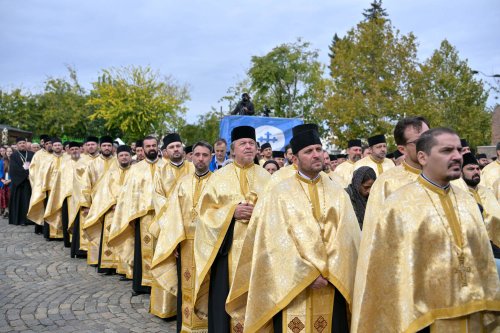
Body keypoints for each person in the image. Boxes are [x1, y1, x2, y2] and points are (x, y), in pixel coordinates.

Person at [351, 128, 500, 332]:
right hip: (424, 319)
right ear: (423, 157)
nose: (457, 156)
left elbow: (483, 257)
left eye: (458, 150)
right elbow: (387, 270)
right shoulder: (399, 204)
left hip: (474, 311)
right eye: (447, 150)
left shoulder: (466, 200)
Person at [226, 128, 360, 333]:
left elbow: (348, 237)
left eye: (318, 149)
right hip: (292, 286)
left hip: (333, 282)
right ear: (295, 159)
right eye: (308, 151)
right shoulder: (279, 192)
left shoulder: (337, 192)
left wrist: (328, 270)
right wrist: (307, 273)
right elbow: (273, 241)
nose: (316, 154)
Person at [193, 125, 270, 332]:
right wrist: (231, 213)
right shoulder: (218, 177)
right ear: (233, 150)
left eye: (251, 144)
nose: (248, 147)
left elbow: (278, 213)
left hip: (258, 253)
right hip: (226, 255)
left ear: (257, 149)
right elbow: (205, 214)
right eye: (243, 144)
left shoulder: (268, 178)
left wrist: (259, 213)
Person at [151, 141, 213, 332]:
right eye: (197, 154)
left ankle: (208, 324)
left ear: (210, 157)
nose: (200, 158)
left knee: (206, 285)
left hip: (209, 245)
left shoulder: (218, 182)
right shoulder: (183, 183)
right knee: (186, 283)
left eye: (205, 155)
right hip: (185, 243)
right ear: (191, 156)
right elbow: (173, 216)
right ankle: (186, 326)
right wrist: (174, 243)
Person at [108, 136, 165, 297]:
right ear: (143, 149)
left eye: (154, 145)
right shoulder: (136, 169)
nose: (151, 148)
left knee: (162, 250)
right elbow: (128, 194)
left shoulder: (166, 166)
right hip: (143, 216)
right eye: (148, 146)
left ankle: (162, 284)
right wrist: (129, 216)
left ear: (158, 147)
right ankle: (143, 285)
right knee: (143, 250)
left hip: (163, 217)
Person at [150, 133, 195, 318]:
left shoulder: (193, 168)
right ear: (166, 151)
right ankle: (167, 308)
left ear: (182, 148)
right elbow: (158, 199)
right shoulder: (160, 171)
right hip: (168, 225)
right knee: (168, 260)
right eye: (172, 147)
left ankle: (190, 308)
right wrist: (171, 223)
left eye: (178, 145)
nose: (176, 149)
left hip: (192, 225)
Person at [85, 145, 133, 276]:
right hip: (111, 211)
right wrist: (111, 204)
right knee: (110, 237)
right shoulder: (111, 173)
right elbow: (103, 191)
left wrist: (125, 205)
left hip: (128, 212)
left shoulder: (135, 172)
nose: (124, 157)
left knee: (126, 239)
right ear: (117, 157)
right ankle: (110, 265)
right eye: (121, 155)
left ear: (130, 157)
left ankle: (125, 268)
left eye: (126, 155)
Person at [365, 117, 430, 211]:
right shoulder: (386, 183)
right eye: (419, 142)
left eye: (430, 137)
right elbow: (375, 224)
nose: (429, 144)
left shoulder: (449, 177)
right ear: (402, 149)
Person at [81, 136, 117, 266]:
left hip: (113, 204)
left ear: (112, 147)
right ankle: (97, 260)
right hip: (96, 203)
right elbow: (85, 185)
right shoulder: (93, 163)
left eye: (109, 146)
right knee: (97, 231)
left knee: (113, 231)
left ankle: (114, 263)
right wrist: (86, 204)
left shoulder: (117, 162)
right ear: (100, 147)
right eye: (104, 146)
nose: (107, 148)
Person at [461, 153, 500, 270]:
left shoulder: (487, 192)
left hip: (495, 244)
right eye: (470, 169)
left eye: (477, 169)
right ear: (460, 172)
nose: (476, 172)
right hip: (473, 247)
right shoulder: (458, 193)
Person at [27, 135, 54, 234]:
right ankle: (41, 228)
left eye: (51, 143)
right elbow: (33, 170)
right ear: (44, 145)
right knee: (41, 205)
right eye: (47, 144)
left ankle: (52, 229)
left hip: (54, 187)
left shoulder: (57, 155)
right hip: (42, 186)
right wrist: (37, 183)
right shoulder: (38, 155)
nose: (49, 146)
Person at [41, 137, 66, 240]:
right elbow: (43, 175)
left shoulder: (67, 158)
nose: (57, 147)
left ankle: (63, 234)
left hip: (64, 190)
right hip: (51, 190)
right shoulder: (47, 159)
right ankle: (50, 234)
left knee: (62, 212)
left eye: (59, 145)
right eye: (55, 145)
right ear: (52, 146)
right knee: (50, 210)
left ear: (62, 146)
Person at [8, 138, 34, 226]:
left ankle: (31, 219)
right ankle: (21, 220)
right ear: (17, 145)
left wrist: (31, 175)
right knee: (20, 202)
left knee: (29, 201)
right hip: (19, 183)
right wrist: (26, 175)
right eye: (20, 143)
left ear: (26, 144)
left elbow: (36, 167)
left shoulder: (32, 154)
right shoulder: (14, 155)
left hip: (30, 183)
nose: (22, 144)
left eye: (24, 143)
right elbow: (14, 169)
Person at [0, 148, 11, 218]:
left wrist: (10, 180)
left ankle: (9, 210)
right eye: (8, 151)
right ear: (6, 152)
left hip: (12, 181)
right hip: (3, 181)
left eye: (11, 151)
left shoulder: (15, 160)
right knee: (4, 196)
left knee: (10, 196)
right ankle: (6, 210)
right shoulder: (2, 161)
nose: (9, 152)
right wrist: (2, 180)